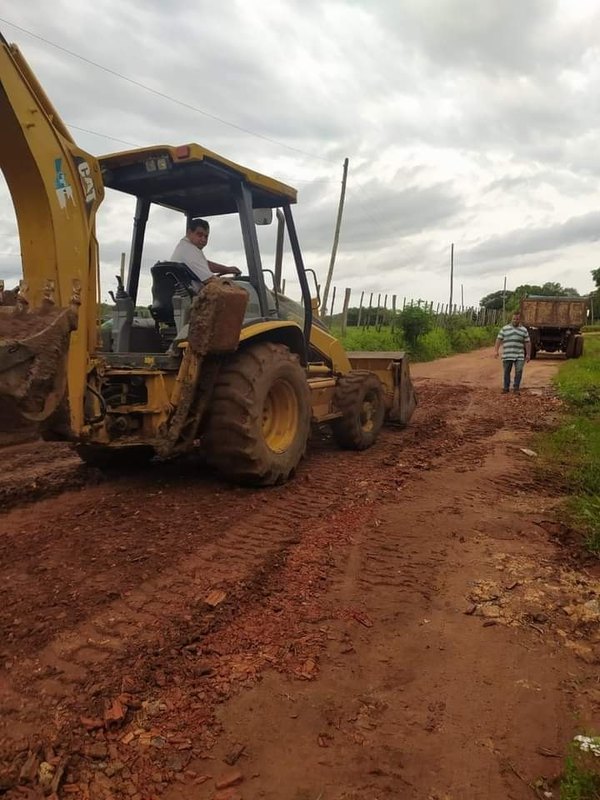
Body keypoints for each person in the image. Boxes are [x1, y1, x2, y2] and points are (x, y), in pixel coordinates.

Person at [170, 218, 241, 284]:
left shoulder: (185, 247)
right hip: (195, 295)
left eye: (206, 236)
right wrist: (233, 282)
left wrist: (227, 269)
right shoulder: (190, 251)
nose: (203, 239)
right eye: (200, 235)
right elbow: (210, 279)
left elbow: (205, 264)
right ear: (189, 232)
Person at [494, 312, 531, 394]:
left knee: (519, 370)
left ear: (520, 319)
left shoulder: (524, 330)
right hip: (507, 354)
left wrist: (528, 354)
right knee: (507, 371)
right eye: (514, 319)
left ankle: (516, 388)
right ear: (511, 319)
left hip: (519, 354)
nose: (515, 320)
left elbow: (527, 343)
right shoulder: (504, 329)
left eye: (517, 319)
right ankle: (506, 388)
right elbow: (498, 340)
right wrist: (496, 351)